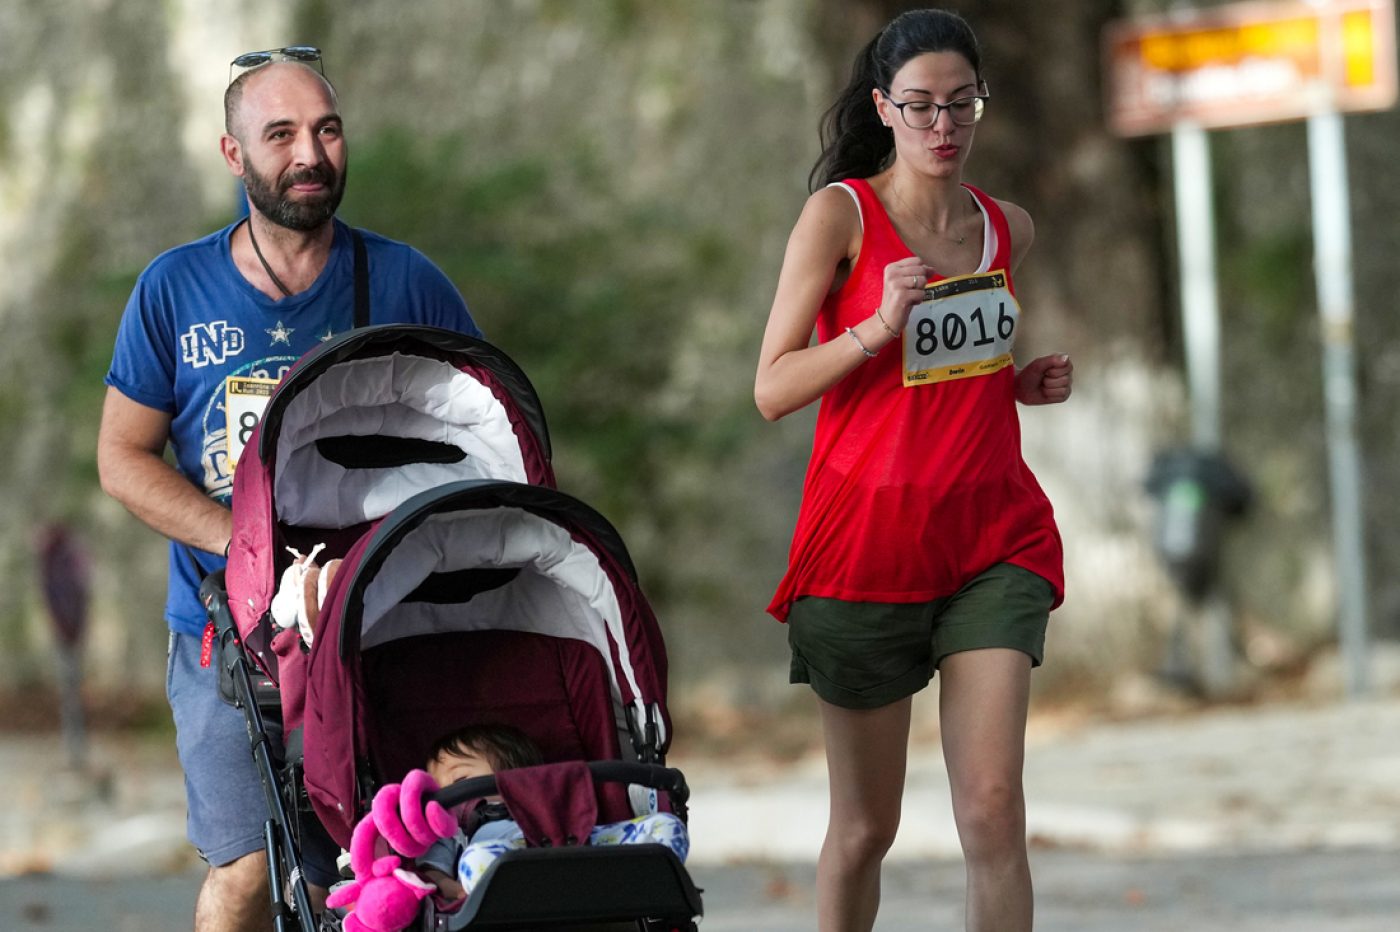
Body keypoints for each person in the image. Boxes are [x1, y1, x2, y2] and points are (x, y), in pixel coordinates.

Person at [96, 48, 483, 932]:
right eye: (281, 135)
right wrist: (247, 550)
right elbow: (122, 458)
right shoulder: (173, 289)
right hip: (224, 635)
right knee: (244, 872)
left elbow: (486, 434)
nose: (310, 153)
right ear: (233, 155)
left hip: (373, 622)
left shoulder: (408, 282)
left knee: (360, 869)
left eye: (327, 130)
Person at [753, 10, 1072, 932]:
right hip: (867, 548)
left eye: (962, 104)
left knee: (994, 809)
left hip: (991, 540)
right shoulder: (840, 216)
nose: (944, 125)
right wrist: (873, 328)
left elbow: (949, 369)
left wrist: (1016, 382)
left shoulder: (1007, 228)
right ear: (884, 107)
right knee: (865, 829)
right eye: (922, 105)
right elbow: (772, 389)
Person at [414, 724, 690, 904]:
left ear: (515, 775)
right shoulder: (452, 827)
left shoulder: (548, 795)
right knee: (476, 860)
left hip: (577, 849)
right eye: (439, 789)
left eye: (459, 781)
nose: (448, 795)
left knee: (666, 826)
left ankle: (629, 869)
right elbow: (430, 870)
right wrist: (453, 889)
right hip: (507, 868)